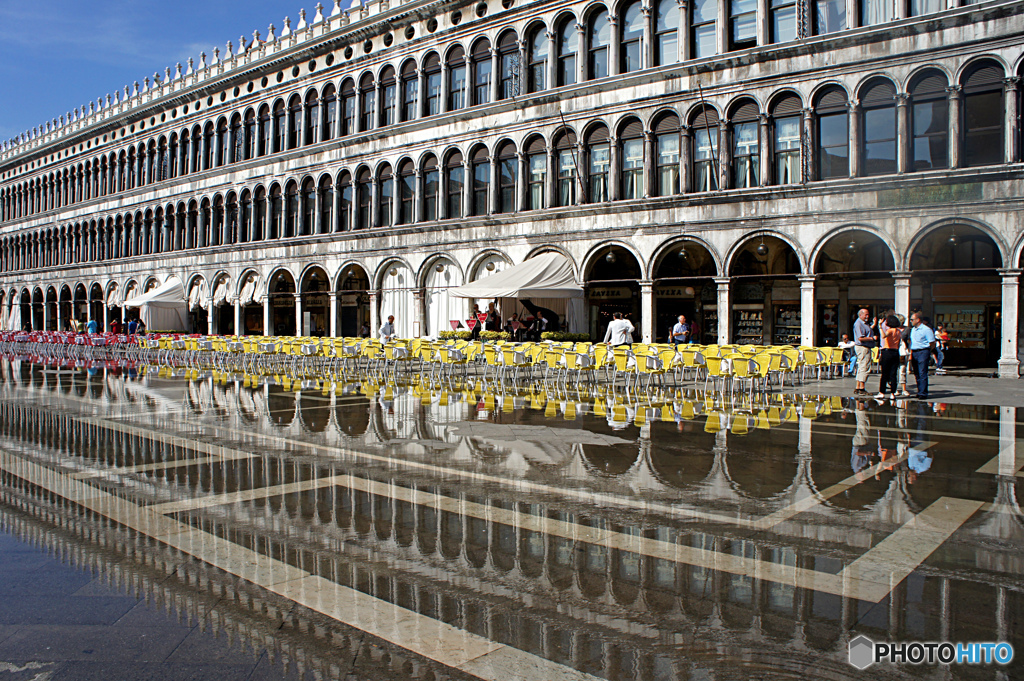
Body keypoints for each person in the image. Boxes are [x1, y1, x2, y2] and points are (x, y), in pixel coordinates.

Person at [908, 311, 936, 400]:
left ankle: (923, 393)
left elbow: (932, 342)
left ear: (918, 320)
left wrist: (928, 351)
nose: (911, 321)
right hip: (915, 351)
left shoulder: (926, 330)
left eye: (912, 319)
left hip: (923, 351)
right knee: (916, 373)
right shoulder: (913, 329)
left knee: (922, 372)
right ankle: (919, 390)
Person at [875, 315, 902, 399]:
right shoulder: (899, 331)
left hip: (887, 351)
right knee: (893, 374)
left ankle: (882, 392)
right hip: (895, 352)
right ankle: (893, 393)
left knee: (885, 373)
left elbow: (883, 336)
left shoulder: (890, 330)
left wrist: (880, 326)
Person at [853, 308, 877, 396]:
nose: (867, 316)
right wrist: (873, 338)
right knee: (865, 367)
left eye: (868, 314)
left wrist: (874, 325)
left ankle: (858, 386)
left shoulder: (864, 323)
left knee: (861, 367)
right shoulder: (858, 323)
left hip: (864, 347)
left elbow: (868, 331)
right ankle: (862, 388)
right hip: (863, 347)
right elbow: (861, 338)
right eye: (865, 315)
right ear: (860, 315)